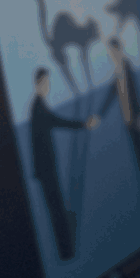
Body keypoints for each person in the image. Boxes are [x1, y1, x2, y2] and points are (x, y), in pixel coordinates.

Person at [28, 66, 97, 261]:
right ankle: (66, 252)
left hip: (46, 169)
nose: (48, 86)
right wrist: (83, 124)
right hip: (46, 170)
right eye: (45, 83)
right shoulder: (38, 108)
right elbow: (57, 122)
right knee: (57, 210)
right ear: (38, 84)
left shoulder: (39, 105)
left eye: (48, 82)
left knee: (56, 209)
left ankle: (66, 251)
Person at [97, 33, 140, 208]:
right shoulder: (117, 73)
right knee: (139, 159)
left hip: (136, 121)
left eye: (113, 51)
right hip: (128, 124)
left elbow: (135, 92)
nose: (111, 55)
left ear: (118, 50)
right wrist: (100, 115)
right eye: (110, 53)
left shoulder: (127, 67)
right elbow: (111, 95)